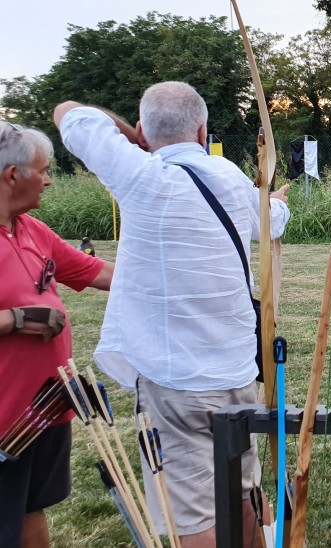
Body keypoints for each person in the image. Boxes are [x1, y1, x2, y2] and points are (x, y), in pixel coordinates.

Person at [54, 81, 290, 548]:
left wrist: (134, 136)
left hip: (174, 379)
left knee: (191, 510)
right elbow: (272, 219)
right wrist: (275, 202)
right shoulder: (227, 176)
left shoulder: (140, 174)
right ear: (203, 130)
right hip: (239, 372)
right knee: (245, 490)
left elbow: (70, 113)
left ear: (142, 130)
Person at [0, 121, 113, 547]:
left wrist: (179, 277)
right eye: (43, 170)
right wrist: (13, 318)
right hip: (3, 413)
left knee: (32, 508)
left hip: (45, 406)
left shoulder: (32, 230)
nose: (49, 179)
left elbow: (98, 272)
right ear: (14, 175)